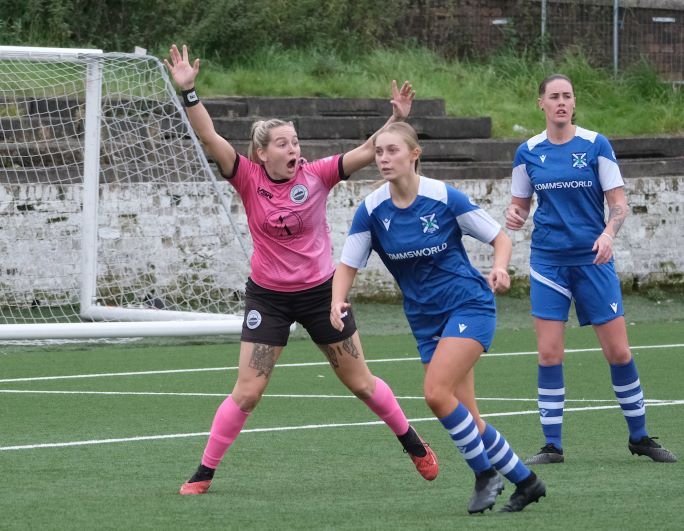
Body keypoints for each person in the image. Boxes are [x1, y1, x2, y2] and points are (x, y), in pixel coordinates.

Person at [163, 44, 439, 495]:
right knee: (248, 391)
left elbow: (371, 151)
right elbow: (210, 138)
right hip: (268, 297)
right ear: (262, 152)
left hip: (321, 295)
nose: (295, 148)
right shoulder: (246, 176)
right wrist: (189, 92)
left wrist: (396, 118)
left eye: (295, 141)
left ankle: (413, 443)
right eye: (284, 143)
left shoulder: (318, 174)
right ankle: (204, 472)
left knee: (361, 383)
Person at [330, 122, 546, 514]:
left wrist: (499, 267)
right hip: (425, 320)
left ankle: (484, 475)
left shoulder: (443, 197)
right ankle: (527, 482)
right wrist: (336, 300)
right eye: (379, 152)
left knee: (435, 394)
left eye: (392, 151)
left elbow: (500, 237)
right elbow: (348, 263)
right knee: (469, 418)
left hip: (468, 306)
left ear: (415, 154)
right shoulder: (372, 210)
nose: (383, 159)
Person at [505, 73, 677, 465]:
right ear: (541, 104)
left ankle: (640, 436)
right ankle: (552, 446)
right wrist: (514, 216)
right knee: (549, 354)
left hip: (593, 261)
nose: (561, 102)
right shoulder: (527, 152)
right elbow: (519, 205)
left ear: (574, 103)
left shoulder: (596, 145)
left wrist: (608, 234)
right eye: (554, 96)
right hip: (549, 262)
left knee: (618, 352)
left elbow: (618, 203)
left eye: (567, 96)